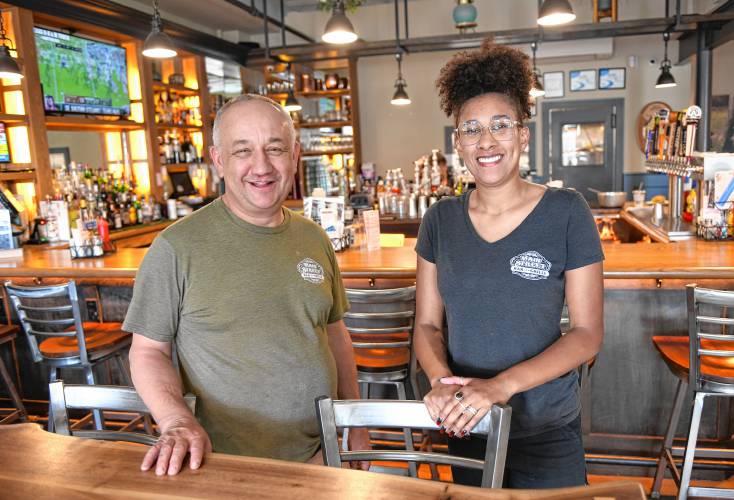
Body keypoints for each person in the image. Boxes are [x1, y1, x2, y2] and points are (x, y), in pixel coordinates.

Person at [124, 94, 369, 476]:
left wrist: (355, 423)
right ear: (218, 159)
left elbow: (335, 335)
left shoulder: (314, 237)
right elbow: (147, 352)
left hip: (319, 458)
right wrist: (175, 420)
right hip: (223, 465)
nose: (262, 166)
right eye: (243, 151)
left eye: (275, 149)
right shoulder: (176, 246)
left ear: (295, 155)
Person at [414, 41, 604, 488]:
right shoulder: (440, 220)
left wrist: (500, 386)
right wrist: (444, 383)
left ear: (523, 134)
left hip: (546, 427)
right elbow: (425, 326)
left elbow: (587, 334)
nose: (486, 142)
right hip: (467, 421)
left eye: (500, 125)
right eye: (471, 130)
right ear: (458, 144)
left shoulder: (567, 211)